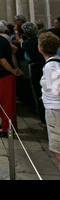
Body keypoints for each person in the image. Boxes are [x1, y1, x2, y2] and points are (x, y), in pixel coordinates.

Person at [0, 22, 23, 137]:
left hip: (3, 77)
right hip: (6, 76)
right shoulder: (3, 40)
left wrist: (13, 71)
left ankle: (6, 129)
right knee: (8, 103)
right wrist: (15, 69)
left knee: (5, 103)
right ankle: (9, 125)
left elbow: (3, 61)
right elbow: (14, 50)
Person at [38, 31, 60, 171]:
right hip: (55, 109)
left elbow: (57, 89)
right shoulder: (54, 62)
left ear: (40, 48)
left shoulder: (51, 66)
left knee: (57, 149)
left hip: (55, 110)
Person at [20, 22, 46, 126]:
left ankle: (43, 119)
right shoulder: (41, 41)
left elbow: (23, 46)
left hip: (35, 68)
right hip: (43, 65)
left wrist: (21, 40)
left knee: (38, 92)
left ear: (25, 32)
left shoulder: (28, 43)